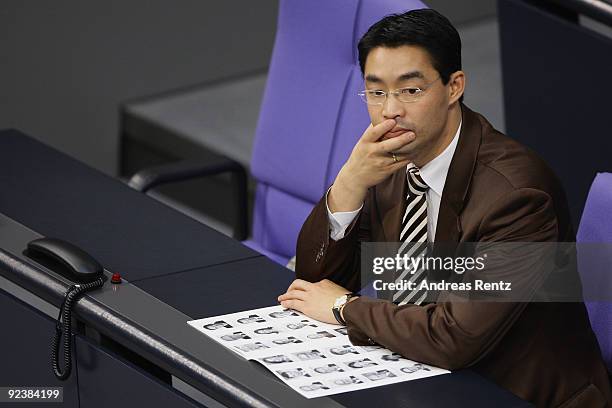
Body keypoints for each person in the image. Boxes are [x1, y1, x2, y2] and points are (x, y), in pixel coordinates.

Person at [277, 8, 611, 407]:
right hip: (422, 374)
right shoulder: (388, 162)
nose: (389, 111)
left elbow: (455, 338)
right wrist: (349, 181)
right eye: (377, 91)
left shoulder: (518, 195)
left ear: (454, 87)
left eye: (410, 90)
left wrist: (345, 308)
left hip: (512, 391)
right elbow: (315, 279)